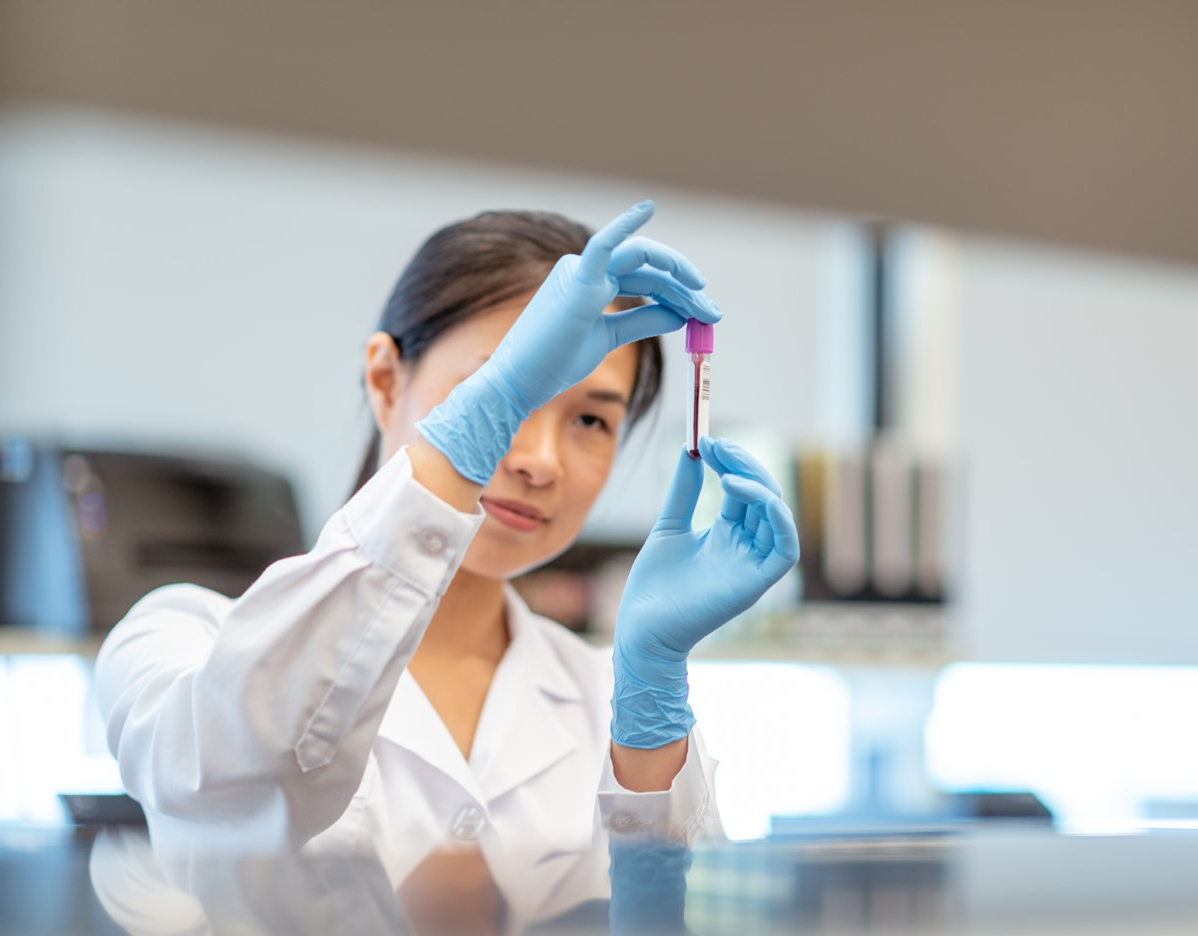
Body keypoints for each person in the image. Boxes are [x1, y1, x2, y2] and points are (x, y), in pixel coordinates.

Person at [92, 202, 800, 913]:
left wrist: (650, 687)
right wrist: (460, 445)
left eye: (590, 419)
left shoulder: (614, 705)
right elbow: (239, 782)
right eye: (505, 389)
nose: (540, 460)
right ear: (385, 380)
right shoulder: (179, 639)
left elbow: (678, 916)